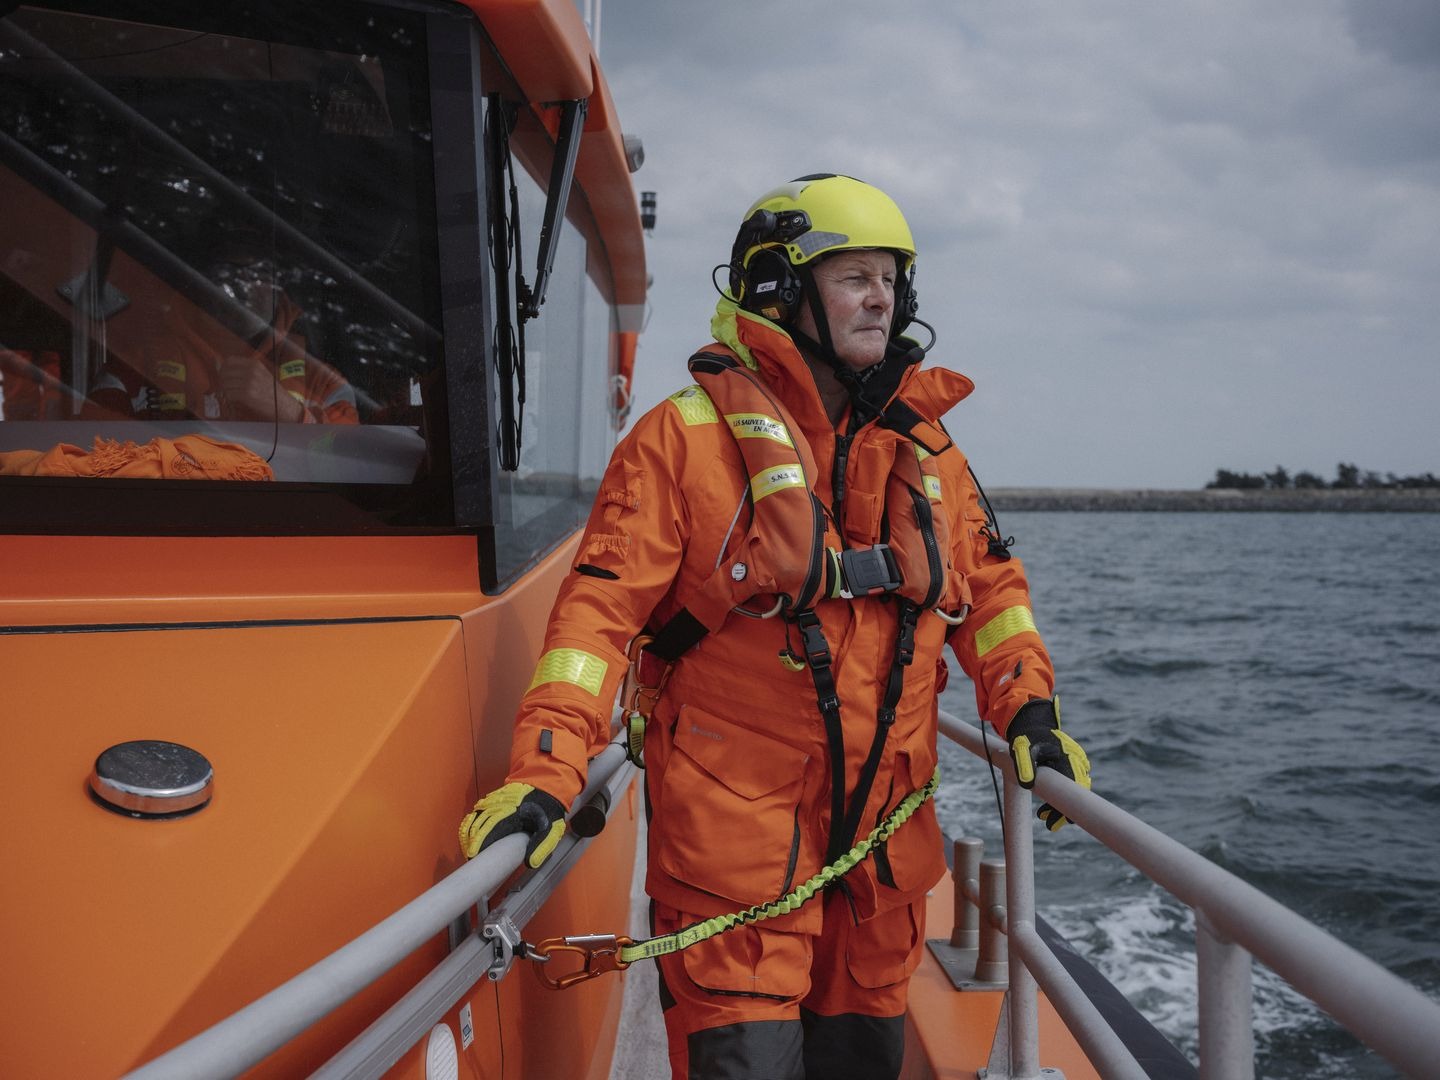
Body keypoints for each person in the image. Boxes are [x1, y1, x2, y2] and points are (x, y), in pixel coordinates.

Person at [458, 174, 1091, 1080]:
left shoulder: (927, 452)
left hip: (880, 870)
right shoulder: (679, 444)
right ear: (781, 294)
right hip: (737, 864)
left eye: (891, 278)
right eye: (853, 276)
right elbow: (595, 621)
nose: (883, 298)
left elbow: (991, 597)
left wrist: (1030, 713)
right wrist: (548, 773)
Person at [86, 225, 358, 425]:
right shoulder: (135, 368)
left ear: (280, 285)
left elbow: (351, 470)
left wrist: (293, 415)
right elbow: (96, 455)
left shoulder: (325, 384)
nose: (245, 288)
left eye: (259, 274)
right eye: (228, 273)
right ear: (201, 282)